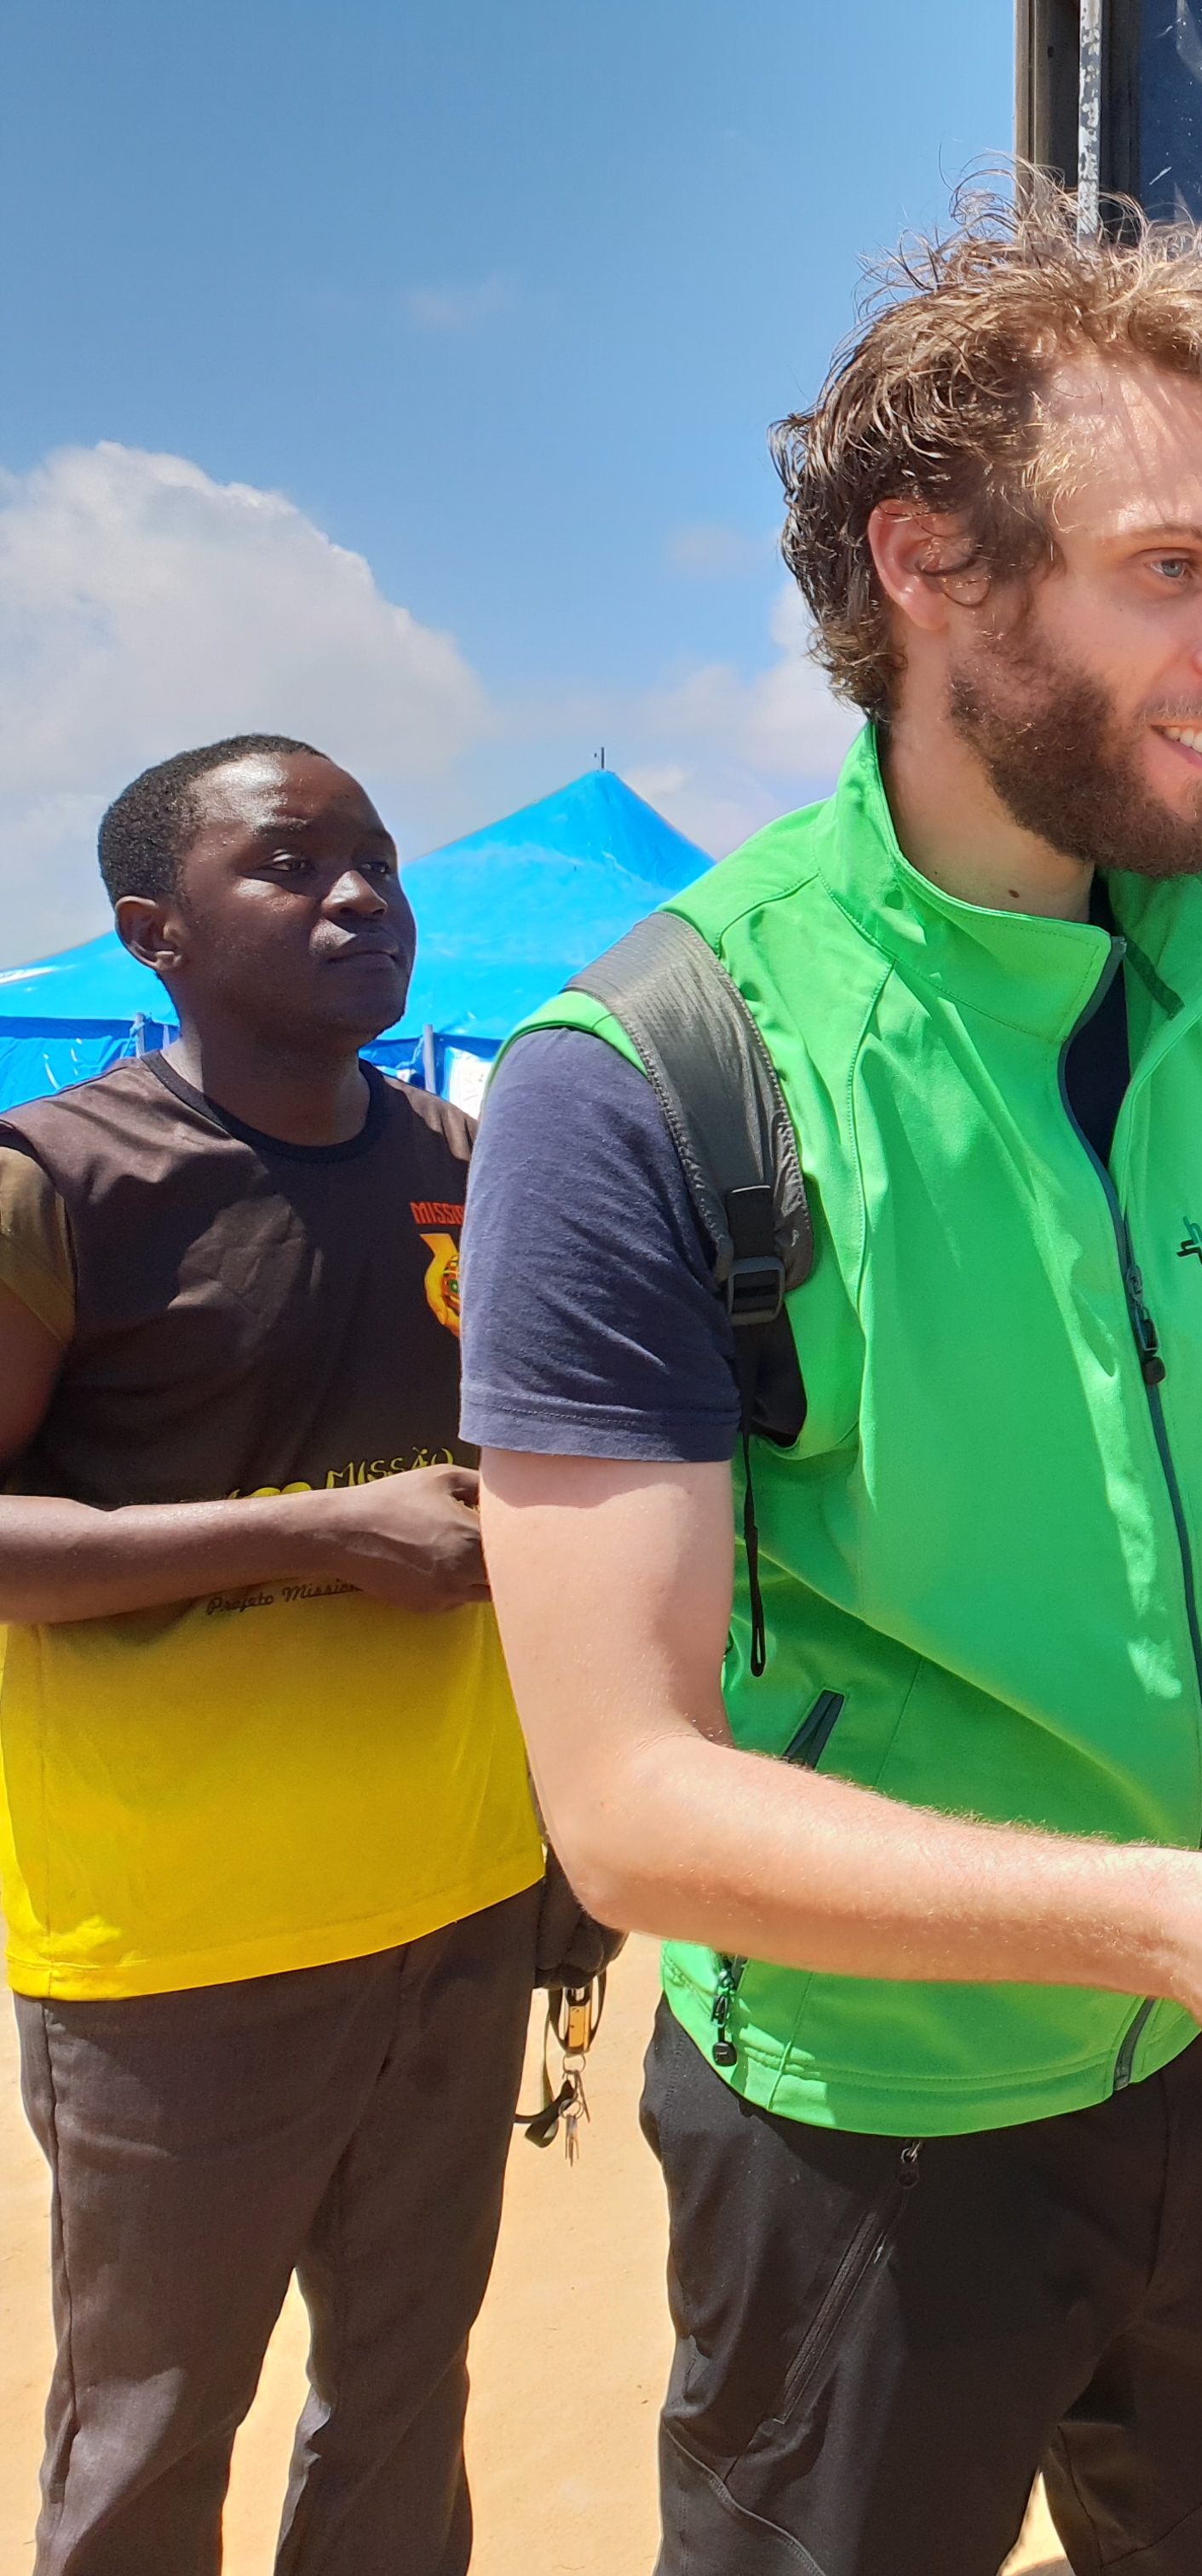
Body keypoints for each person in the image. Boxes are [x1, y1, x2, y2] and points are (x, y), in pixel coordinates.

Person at [462, 198, 1202, 2575]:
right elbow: (631, 1810)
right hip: (874, 2122)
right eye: (1172, 570)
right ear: (930, 568)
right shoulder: (654, 1073)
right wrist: (1167, 1919)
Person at [0, 738, 543, 2576]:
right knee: (151, 2434)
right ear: (153, 930)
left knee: (404, 2401)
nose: (364, 895)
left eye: (378, 859)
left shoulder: (477, 1170)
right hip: (178, 1944)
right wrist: (309, 1536)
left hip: (457, 1897)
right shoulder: (62, 1184)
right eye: (293, 863)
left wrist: (563, 1863)